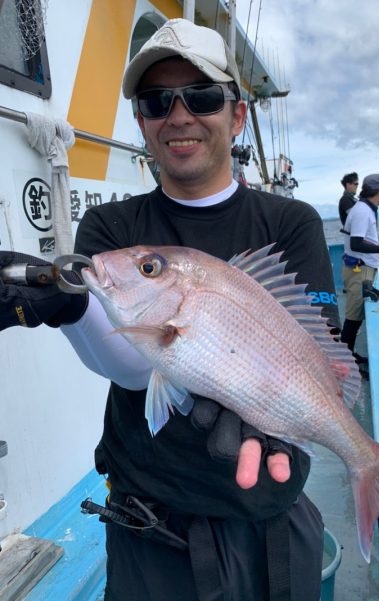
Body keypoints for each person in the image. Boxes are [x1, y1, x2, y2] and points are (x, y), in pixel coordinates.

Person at [0, 19, 341, 601]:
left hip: (268, 520)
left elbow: (317, 355)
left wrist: (296, 419)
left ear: (235, 116)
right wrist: (70, 306)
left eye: (202, 96)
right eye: (157, 101)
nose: (178, 116)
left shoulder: (292, 223)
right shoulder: (114, 229)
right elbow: (134, 368)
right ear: (141, 122)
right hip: (148, 526)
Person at [340, 173, 379, 363]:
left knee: (356, 316)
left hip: (364, 268)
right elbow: (357, 243)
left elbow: (366, 239)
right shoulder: (362, 211)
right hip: (359, 270)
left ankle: (349, 356)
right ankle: (345, 361)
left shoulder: (364, 209)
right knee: (353, 318)